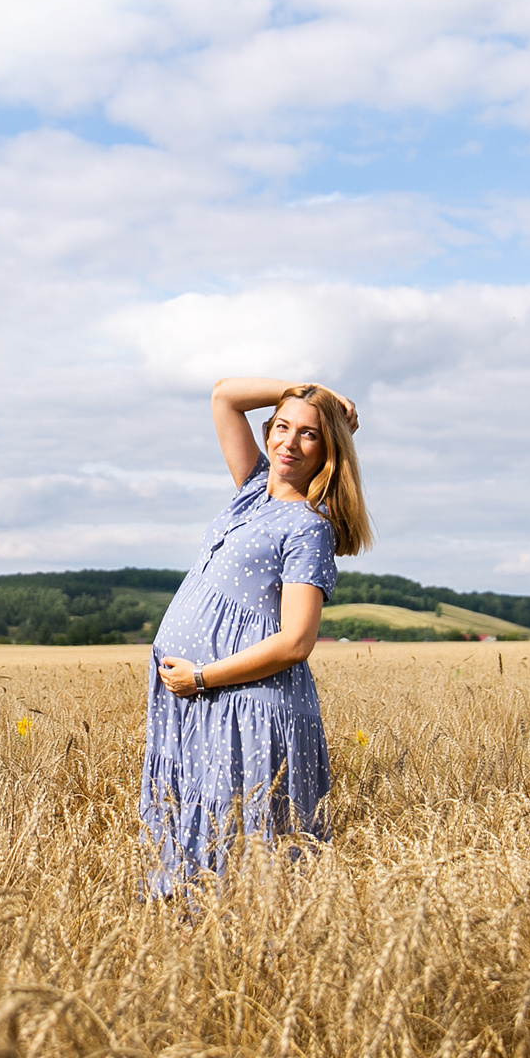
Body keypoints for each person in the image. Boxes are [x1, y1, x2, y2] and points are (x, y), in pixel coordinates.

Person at [139, 377, 374, 895]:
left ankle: (245, 967)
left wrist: (201, 677)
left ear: (329, 450)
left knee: (242, 856)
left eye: (309, 434)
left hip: (246, 705)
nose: (289, 442)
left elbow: (296, 641)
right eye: (282, 427)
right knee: (196, 845)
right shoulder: (252, 490)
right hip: (203, 702)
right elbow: (225, 395)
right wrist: (312, 388)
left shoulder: (309, 527)